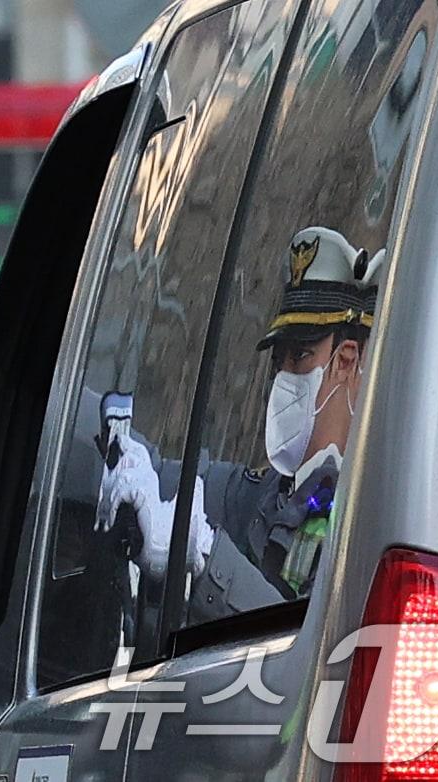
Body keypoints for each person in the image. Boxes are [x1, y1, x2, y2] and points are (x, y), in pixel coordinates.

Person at [100, 226, 383, 624]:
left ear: (346, 360)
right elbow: (170, 477)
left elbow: (306, 641)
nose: (283, 375)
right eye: (278, 360)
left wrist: (202, 552)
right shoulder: (275, 491)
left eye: (300, 356)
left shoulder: (366, 510)